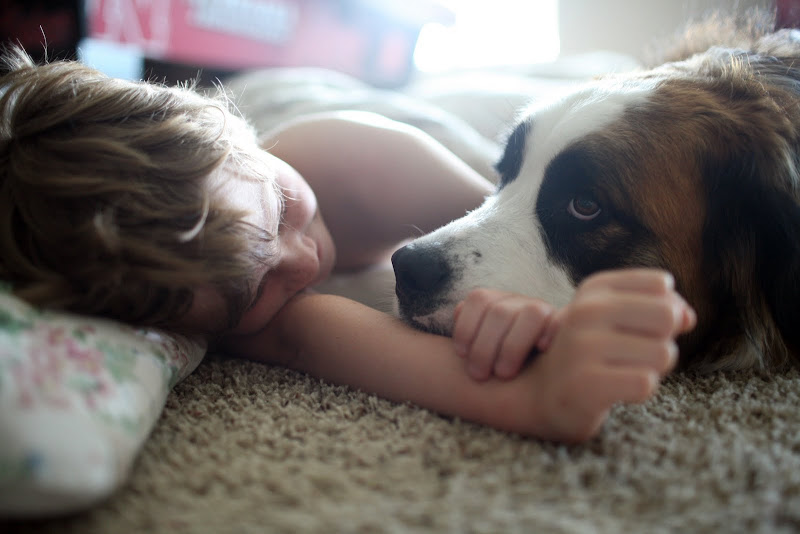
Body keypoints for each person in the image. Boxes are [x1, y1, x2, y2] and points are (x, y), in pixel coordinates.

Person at [0, 47, 696, 443]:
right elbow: (343, 346)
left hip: (321, 107)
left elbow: (529, 223)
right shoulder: (226, 304)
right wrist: (540, 395)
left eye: (282, 210)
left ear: (231, 131)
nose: (303, 263)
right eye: (252, 289)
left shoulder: (358, 161)